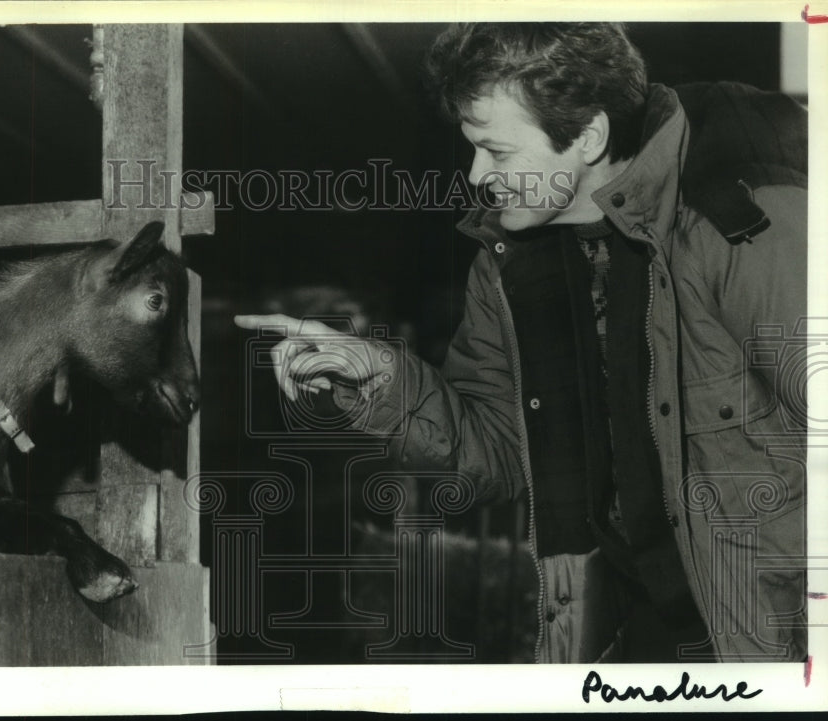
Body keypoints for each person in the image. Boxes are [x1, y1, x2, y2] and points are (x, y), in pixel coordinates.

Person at [235, 22, 807, 663]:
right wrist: (383, 383)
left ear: (587, 136)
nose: (478, 175)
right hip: (636, 634)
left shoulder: (743, 225)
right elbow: (498, 449)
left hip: (771, 644)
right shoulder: (506, 264)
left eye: (498, 152)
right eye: (472, 149)